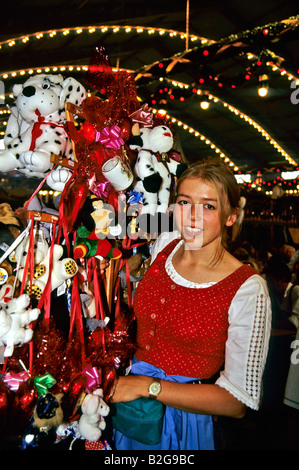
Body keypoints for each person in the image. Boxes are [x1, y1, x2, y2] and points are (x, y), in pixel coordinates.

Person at [110, 157, 272, 450]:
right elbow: (120, 224)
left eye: (209, 206)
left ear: (230, 216)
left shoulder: (248, 289)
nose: (193, 216)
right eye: (185, 202)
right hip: (130, 408)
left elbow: (236, 402)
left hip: (186, 423)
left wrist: (146, 386)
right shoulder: (166, 243)